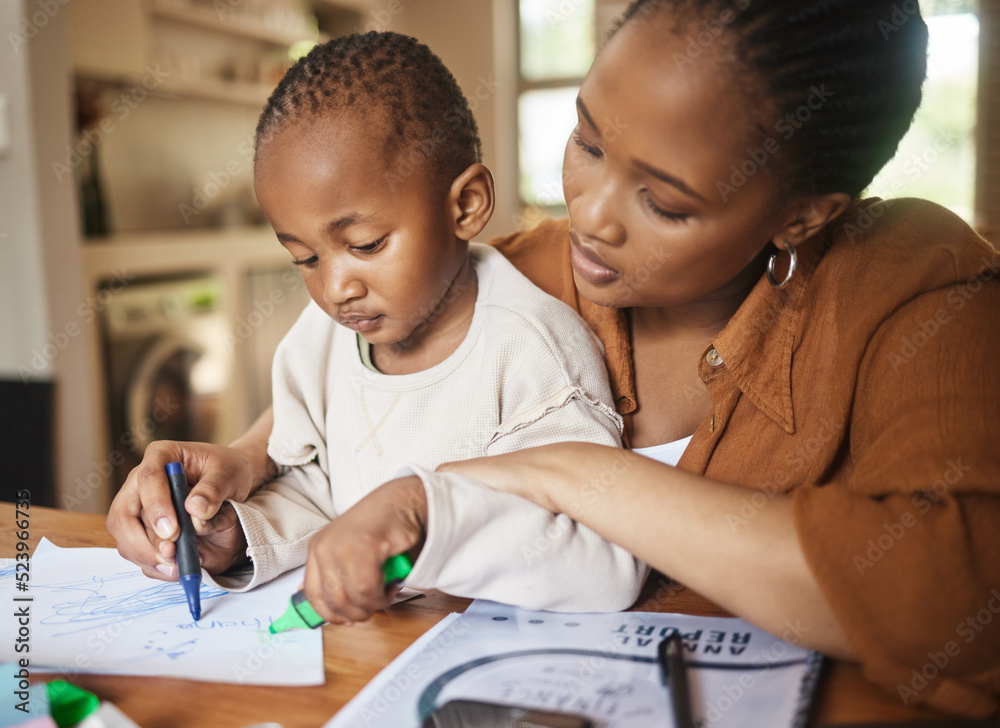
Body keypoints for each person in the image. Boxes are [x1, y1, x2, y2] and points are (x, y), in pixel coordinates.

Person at [109, 1, 1000, 717]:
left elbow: (957, 607)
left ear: (802, 213)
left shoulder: (912, 285)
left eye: (664, 201)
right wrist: (242, 467)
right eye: (589, 141)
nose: (594, 214)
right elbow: (362, 384)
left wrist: (562, 474)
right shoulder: (529, 269)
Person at [107, 31, 646, 623]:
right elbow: (323, 491)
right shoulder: (320, 343)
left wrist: (425, 531)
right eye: (305, 259)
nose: (336, 289)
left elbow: (606, 565)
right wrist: (241, 534)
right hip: (372, 659)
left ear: (465, 205)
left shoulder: (531, 350)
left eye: (365, 245)